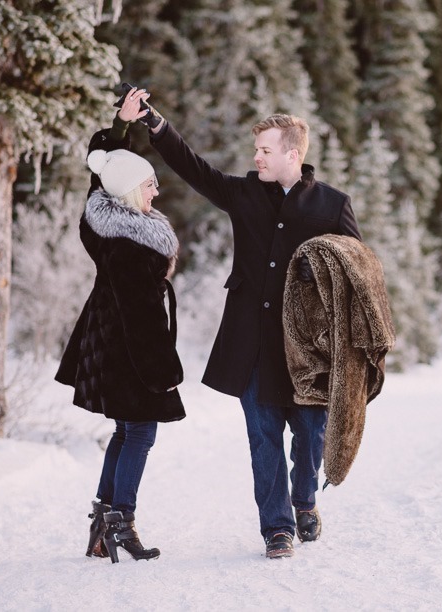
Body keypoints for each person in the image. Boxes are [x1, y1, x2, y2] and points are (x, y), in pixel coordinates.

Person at [119, 86, 361, 559]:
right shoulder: (244, 192)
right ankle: (277, 529)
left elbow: (356, 269)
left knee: (311, 433)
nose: (257, 157)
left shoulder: (332, 204)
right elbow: (194, 168)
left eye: (265, 150)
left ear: (293, 154)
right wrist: (154, 124)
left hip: (309, 350)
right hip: (252, 343)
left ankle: (304, 500)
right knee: (263, 437)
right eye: (256, 150)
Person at [55, 93, 184, 563]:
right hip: (128, 351)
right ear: (130, 190)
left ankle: (103, 518)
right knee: (141, 433)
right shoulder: (136, 246)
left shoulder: (100, 223)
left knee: (124, 432)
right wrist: (163, 370)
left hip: (103, 343)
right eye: (149, 185)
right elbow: (142, 319)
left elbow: (100, 171)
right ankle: (120, 519)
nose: (156, 192)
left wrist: (119, 127)